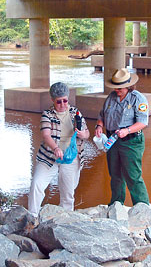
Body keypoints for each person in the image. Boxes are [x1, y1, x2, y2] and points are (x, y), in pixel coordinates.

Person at [28, 82, 90, 217]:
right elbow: (46, 135)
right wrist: (55, 148)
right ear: (52, 100)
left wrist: (82, 134)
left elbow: (87, 133)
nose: (62, 104)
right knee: (36, 184)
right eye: (59, 102)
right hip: (49, 157)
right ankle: (32, 216)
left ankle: (65, 218)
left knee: (68, 192)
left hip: (71, 157)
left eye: (65, 101)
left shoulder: (76, 113)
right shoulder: (47, 114)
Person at [95, 68, 149, 206]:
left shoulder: (138, 99)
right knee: (115, 175)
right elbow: (102, 115)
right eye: (115, 87)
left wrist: (127, 130)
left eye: (120, 88)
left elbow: (143, 122)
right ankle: (116, 204)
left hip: (131, 141)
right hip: (112, 141)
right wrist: (99, 126)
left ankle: (142, 206)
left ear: (129, 86)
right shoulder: (111, 97)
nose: (117, 90)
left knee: (133, 176)